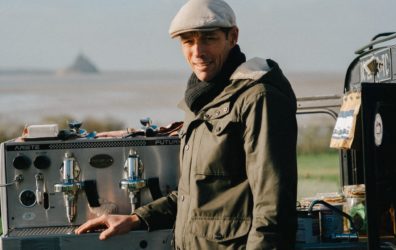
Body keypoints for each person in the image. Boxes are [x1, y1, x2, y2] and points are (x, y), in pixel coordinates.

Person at [76, 0, 298, 249]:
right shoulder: (204, 100)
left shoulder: (258, 98)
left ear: (232, 37)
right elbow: (192, 194)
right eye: (188, 42)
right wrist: (137, 218)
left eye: (208, 39)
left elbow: (273, 205)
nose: (197, 52)